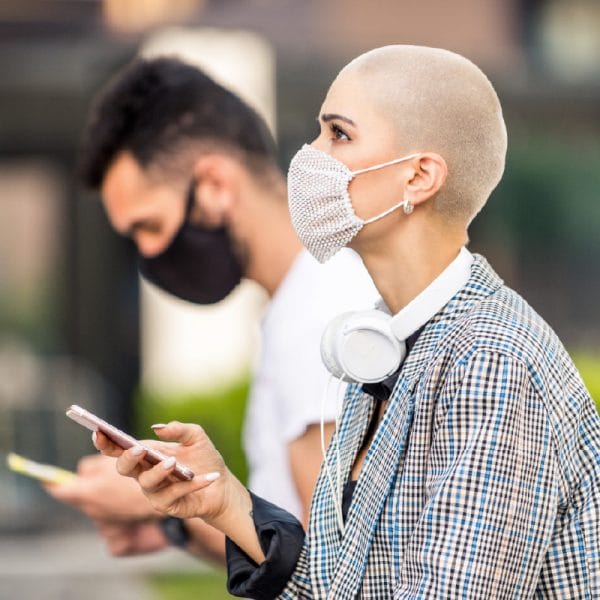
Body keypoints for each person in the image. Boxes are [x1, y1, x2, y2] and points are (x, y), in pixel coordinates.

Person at [97, 44, 600, 599]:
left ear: (418, 177)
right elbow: (348, 586)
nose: (308, 157)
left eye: (338, 134)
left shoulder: (492, 362)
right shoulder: (387, 346)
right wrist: (225, 503)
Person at [45, 57, 376, 562]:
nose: (150, 255)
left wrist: (156, 504)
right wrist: (178, 523)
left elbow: (336, 565)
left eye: (149, 226)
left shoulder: (320, 314)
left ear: (216, 186)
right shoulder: (301, 300)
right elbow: (286, 550)